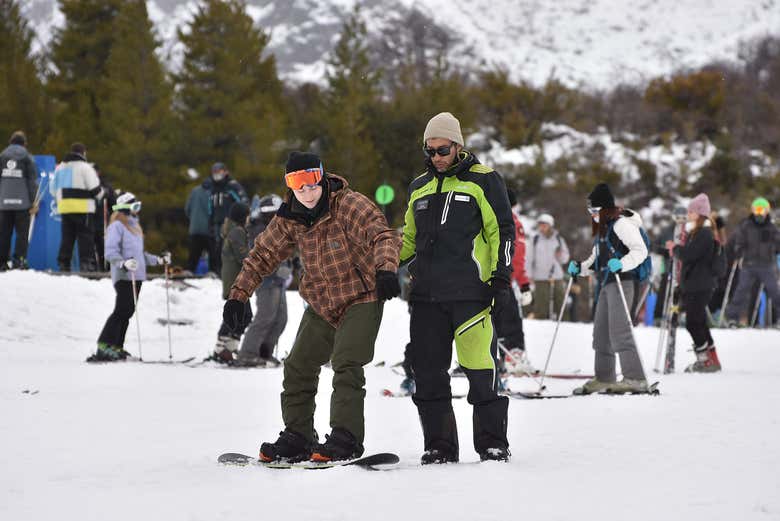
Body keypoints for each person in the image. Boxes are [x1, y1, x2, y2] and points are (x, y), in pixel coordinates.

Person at [222, 151, 402, 463]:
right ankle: (298, 436)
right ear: (289, 185)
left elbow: (382, 235)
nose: (306, 191)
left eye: (311, 182)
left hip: (362, 296)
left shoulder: (348, 204)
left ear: (322, 178)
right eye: (296, 183)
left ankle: (345, 438)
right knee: (298, 366)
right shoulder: (290, 216)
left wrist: (386, 269)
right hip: (321, 301)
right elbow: (262, 255)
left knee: (346, 362)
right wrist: (238, 295)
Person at [400, 112, 514, 464]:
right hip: (426, 298)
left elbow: (502, 232)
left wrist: (500, 276)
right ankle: (439, 445)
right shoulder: (418, 187)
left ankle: (493, 443)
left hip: (470, 293)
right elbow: (407, 239)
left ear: (458, 146)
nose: (435, 157)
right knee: (429, 375)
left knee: (480, 370)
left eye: (442, 149)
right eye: (429, 151)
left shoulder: (484, 180)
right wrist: (382, 263)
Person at [567, 183, 650, 394]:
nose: (593, 215)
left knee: (619, 330)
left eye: (595, 211)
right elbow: (596, 260)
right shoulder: (603, 231)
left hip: (623, 282)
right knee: (601, 332)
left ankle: (635, 377)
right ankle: (604, 377)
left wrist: (622, 263)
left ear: (605, 209)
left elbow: (640, 251)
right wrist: (580, 268)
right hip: (606, 283)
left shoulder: (622, 225)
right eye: (590, 212)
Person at [88, 193, 168, 362]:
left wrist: (159, 260)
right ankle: (104, 345)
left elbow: (140, 255)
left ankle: (117, 346)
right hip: (124, 276)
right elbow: (110, 252)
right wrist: (123, 263)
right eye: (134, 206)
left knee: (128, 312)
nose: (137, 210)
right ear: (125, 207)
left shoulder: (135, 227)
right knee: (121, 310)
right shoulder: (116, 226)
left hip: (137, 276)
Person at [234, 194, 293, 367]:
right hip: (266, 281)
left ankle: (264, 352)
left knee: (281, 318)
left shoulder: (278, 228)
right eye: (274, 213)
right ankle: (247, 353)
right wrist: (277, 270)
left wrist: (291, 264)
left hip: (279, 281)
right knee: (265, 317)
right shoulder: (258, 230)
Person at [665, 193, 721, 373]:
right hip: (696, 284)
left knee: (692, 323)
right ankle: (712, 359)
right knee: (700, 322)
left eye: (691, 211)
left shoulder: (704, 233)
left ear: (700, 213)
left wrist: (676, 249)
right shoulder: (697, 232)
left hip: (700, 284)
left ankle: (704, 360)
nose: (688, 214)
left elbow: (690, 255)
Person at [496, 187, 535, 375]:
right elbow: (518, 257)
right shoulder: (512, 221)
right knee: (511, 320)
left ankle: (496, 358)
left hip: (487, 279)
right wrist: (524, 283)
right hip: (504, 280)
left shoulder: (488, 216)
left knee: (491, 321)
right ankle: (514, 355)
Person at [724, 197, 780, 327]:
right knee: (741, 291)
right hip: (749, 265)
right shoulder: (746, 226)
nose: (759, 213)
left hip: (766, 265)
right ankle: (732, 318)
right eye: (757, 209)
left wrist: (774, 246)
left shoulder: (771, 228)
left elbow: (778, 244)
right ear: (753, 210)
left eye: (762, 210)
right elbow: (739, 240)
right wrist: (738, 251)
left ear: (767, 211)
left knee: (774, 291)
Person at [50, 142, 103, 272]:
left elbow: (52, 189)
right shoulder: (85, 167)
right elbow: (95, 189)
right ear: (83, 153)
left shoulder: (60, 168)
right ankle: (87, 264)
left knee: (67, 237)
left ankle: (64, 263)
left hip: (65, 208)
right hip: (83, 207)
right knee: (85, 237)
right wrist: (102, 195)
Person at [211, 202, 252, 363]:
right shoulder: (237, 232)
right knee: (238, 314)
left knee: (245, 315)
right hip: (235, 281)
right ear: (243, 216)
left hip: (237, 280)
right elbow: (243, 256)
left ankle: (231, 347)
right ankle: (220, 348)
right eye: (248, 214)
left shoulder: (236, 230)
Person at [0, 131, 39, 270]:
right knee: (22, 234)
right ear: (24, 144)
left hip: (4, 203)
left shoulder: (2, 156)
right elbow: (32, 182)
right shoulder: (28, 158)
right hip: (22, 204)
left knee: (4, 233)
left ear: (10, 142)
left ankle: (2, 262)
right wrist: (34, 201)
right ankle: (19, 260)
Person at [526, 213, 570, 319]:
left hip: (557, 276)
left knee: (561, 304)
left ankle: (565, 326)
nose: (541, 227)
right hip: (540, 277)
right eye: (540, 225)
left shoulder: (558, 239)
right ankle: (541, 329)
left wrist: (560, 255)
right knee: (541, 306)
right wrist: (529, 275)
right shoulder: (535, 240)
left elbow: (565, 259)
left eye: (544, 225)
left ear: (550, 225)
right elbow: (529, 259)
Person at [206, 162, 248, 274]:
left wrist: (242, 220)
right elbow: (210, 207)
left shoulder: (232, 186)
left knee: (232, 247)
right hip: (216, 223)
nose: (216, 175)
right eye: (214, 172)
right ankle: (218, 272)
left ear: (225, 172)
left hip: (231, 222)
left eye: (219, 172)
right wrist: (210, 222)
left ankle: (236, 272)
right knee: (217, 249)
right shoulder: (212, 188)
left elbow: (242, 202)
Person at [184, 178, 213, 273]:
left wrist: (193, 219)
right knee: (212, 254)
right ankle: (213, 272)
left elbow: (187, 209)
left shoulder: (195, 191)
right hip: (208, 230)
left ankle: (189, 271)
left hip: (194, 229)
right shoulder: (212, 193)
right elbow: (212, 211)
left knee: (193, 254)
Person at [93, 165, 116, 271]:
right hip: (89, 220)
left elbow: (113, 204)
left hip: (102, 221)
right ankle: (93, 268)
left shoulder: (105, 186)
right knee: (90, 246)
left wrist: (114, 217)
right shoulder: (86, 185)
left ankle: (104, 268)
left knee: (102, 245)